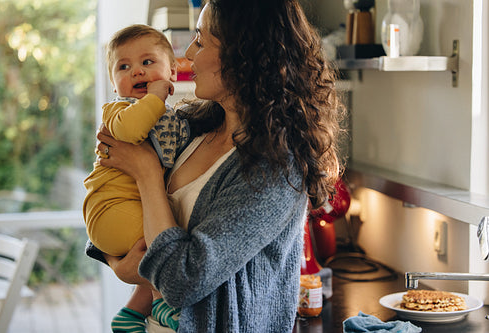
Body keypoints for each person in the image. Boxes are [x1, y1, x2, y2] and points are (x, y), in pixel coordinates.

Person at [87, 0, 344, 331]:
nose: (190, 52)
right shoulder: (188, 125)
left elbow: (184, 282)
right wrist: (117, 263)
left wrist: (147, 174)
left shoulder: (275, 171)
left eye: (200, 38)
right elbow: (112, 199)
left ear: (244, 53)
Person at [83, 24, 188, 332]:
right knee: (168, 237)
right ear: (114, 84)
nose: (138, 72)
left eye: (147, 62)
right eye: (124, 66)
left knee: (161, 234)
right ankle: (162, 301)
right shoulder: (118, 109)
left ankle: (131, 313)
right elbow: (132, 130)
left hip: (118, 212)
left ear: (173, 71)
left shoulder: (173, 117)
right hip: (112, 208)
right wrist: (154, 98)